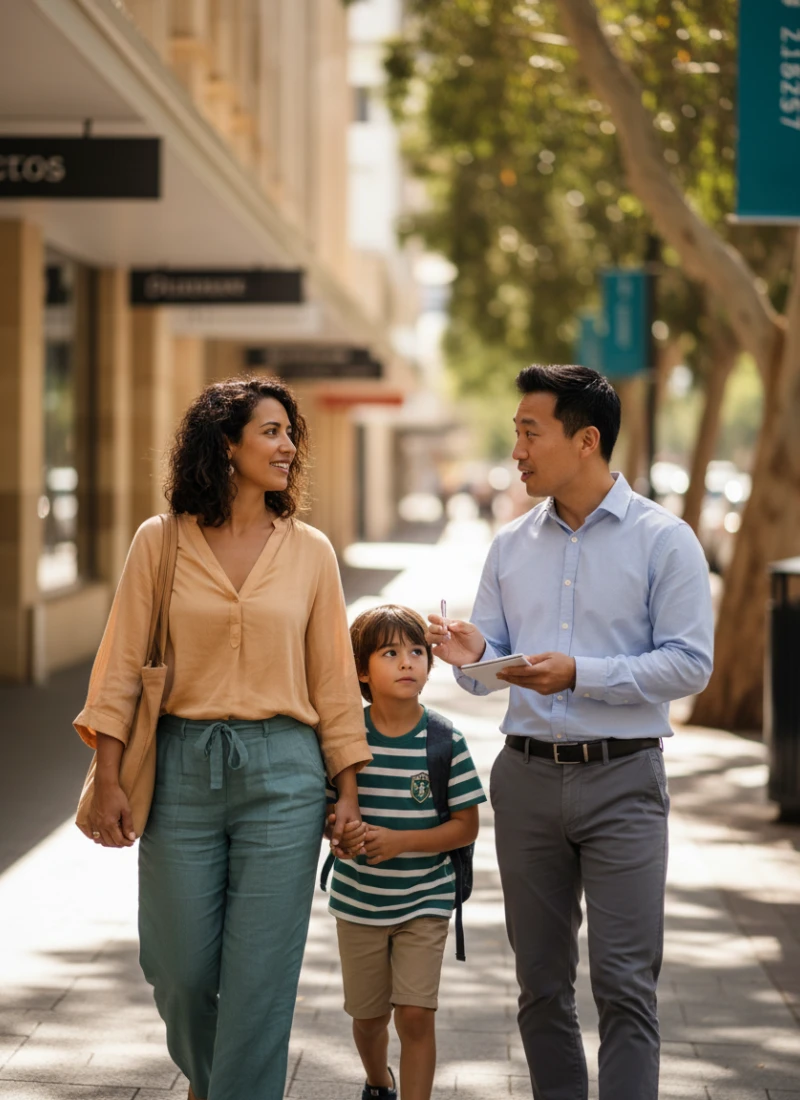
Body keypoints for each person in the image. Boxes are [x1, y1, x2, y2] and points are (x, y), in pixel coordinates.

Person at [74, 377, 370, 1100]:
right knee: (176, 971)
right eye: (270, 431)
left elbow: (334, 681)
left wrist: (350, 791)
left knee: (260, 982)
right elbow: (119, 666)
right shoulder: (161, 541)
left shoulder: (311, 553)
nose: (287, 446)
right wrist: (108, 777)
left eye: (289, 433)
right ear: (225, 444)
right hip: (180, 769)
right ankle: (222, 1084)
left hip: (286, 776)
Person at [426, 365, 714, 1100]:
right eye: (515, 432)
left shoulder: (665, 540)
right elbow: (490, 665)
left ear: (585, 440)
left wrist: (581, 673)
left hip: (624, 780)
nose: (516, 449)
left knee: (625, 985)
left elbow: (689, 665)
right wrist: (474, 658)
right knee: (541, 986)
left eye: (530, 432)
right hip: (524, 779)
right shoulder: (510, 545)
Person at [326, 604, 486, 1100]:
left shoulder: (445, 740)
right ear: (360, 670)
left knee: (415, 1014)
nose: (406, 662)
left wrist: (401, 842)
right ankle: (378, 1081)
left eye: (417, 651)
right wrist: (339, 831)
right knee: (369, 1019)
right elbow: (327, 812)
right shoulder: (344, 737)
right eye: (390, 653)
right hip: (359, 903)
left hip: (425, 899)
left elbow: (467, 826)